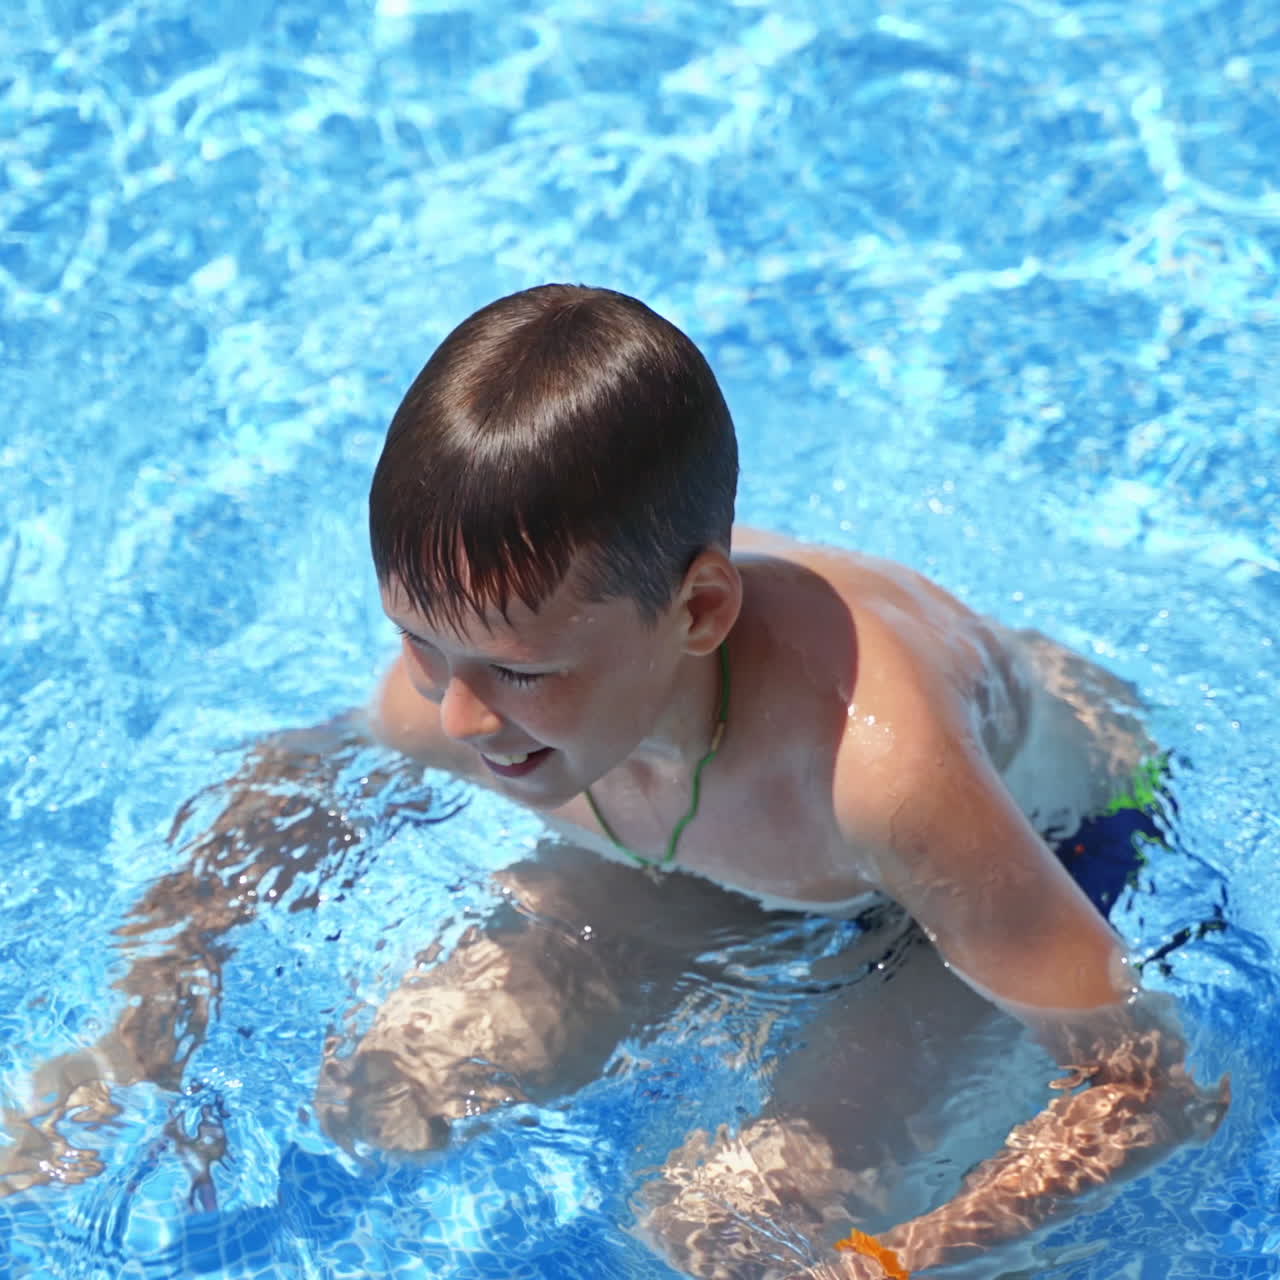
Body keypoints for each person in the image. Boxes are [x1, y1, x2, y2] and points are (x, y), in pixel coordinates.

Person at [2, 284, 1225, 1279]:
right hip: (733, 846)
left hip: (1040, 848)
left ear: (696, 609)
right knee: (397, 1081)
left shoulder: (876, 771)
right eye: (424, 642)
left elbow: (1150, 1082)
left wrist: (897, 1260)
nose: (458, 710)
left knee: (722, 1226)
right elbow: (285, 795)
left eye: (517, 670)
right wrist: (139, 1033)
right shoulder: (477, 679)